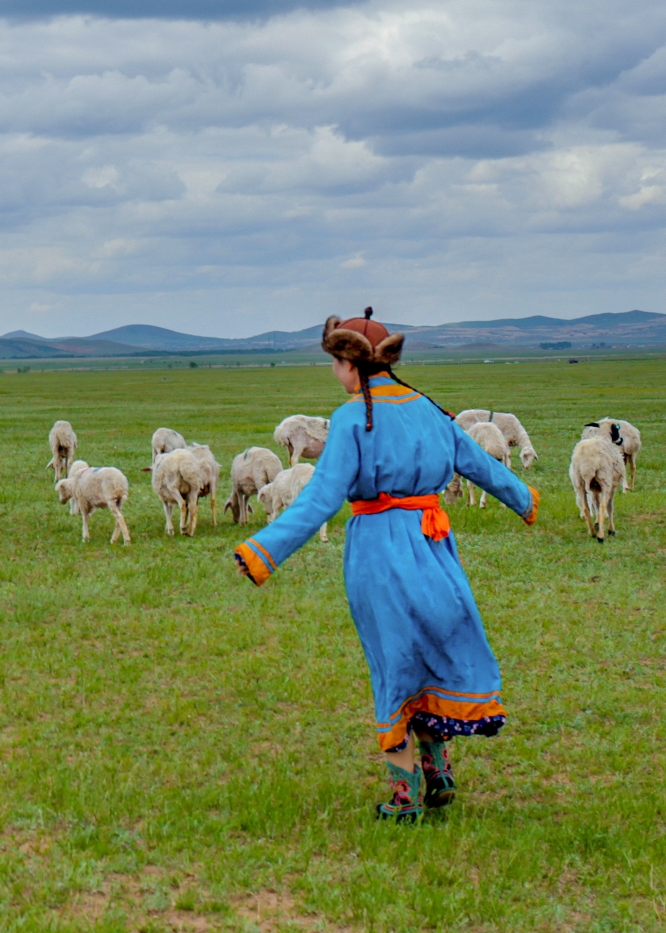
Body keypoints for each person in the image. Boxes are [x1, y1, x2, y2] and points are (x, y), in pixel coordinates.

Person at [230, 309, 537, 821]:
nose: (333, 372)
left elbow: (320, 497)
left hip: (379, 552)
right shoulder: (427, 409)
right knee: (430, 655)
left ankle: (405, 794)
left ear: (351, 362)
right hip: (434, 546)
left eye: (334, 362)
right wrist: (523, 498)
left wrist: (263, 552)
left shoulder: (353, 417)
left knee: (394, 662)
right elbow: (480, 464)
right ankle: (438, 767)